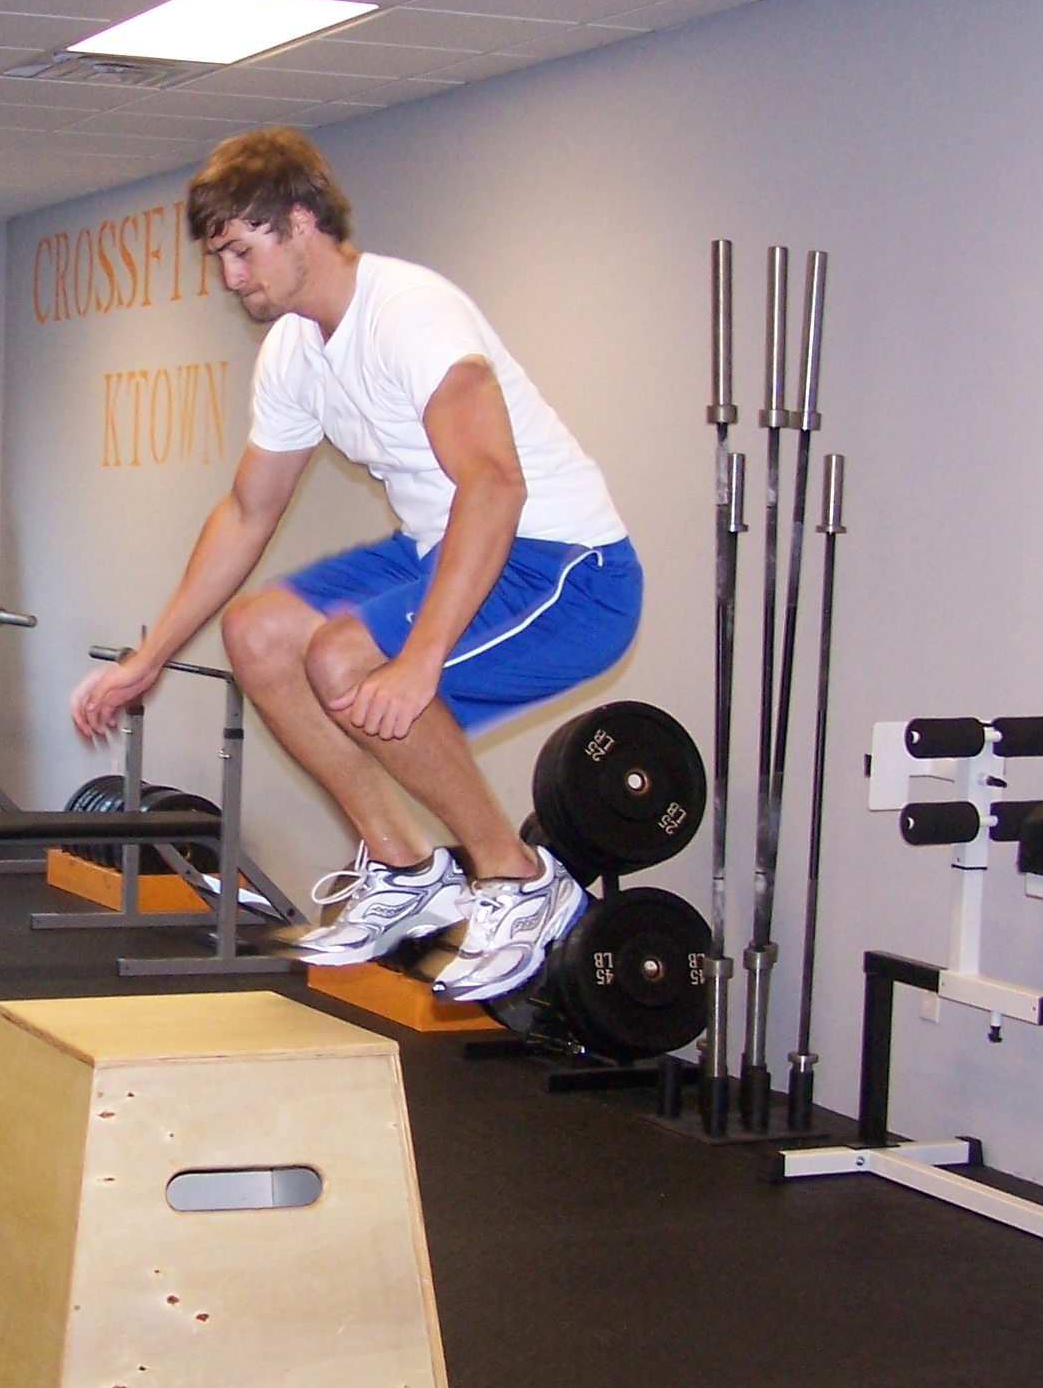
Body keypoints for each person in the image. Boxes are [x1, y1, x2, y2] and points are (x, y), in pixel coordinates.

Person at [70, 129, 640, 1002]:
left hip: (570, 568)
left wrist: (416, 662)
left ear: (301, 222)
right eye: (220, 257)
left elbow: (493, 485)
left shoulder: (410, 312)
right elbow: (248, 511)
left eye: (240, 251)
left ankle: (517, 879)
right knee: (258, 633)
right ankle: (407, 869)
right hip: (444, 544)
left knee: (346, 656)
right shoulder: (296, 353)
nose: (231, 278)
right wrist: (148, 657)